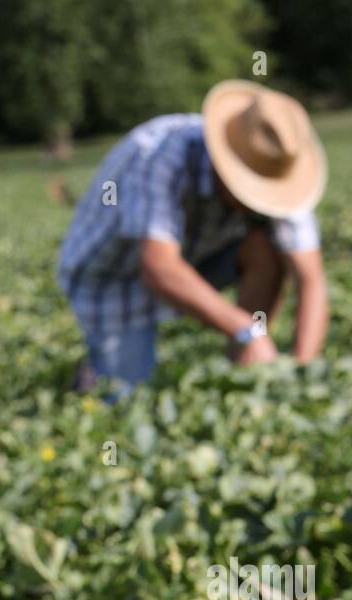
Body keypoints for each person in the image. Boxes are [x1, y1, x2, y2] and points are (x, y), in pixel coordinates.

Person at [57, 81, 329, 398]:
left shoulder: (276, 165)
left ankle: (240, 370)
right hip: (116, 274)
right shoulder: (159, 155)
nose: (256, 203)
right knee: (124, 396)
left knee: (265, 245)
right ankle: (95, 371)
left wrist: (302, 371)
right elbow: (158, 269)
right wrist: (248, 330)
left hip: (192, 255)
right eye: (249, 191)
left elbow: (310, 279)